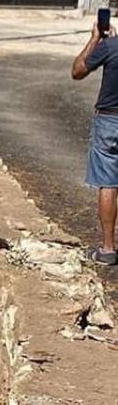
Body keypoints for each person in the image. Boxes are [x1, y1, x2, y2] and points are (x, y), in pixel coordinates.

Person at [72, 18, 118, 265]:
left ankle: (108, 249)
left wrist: (95, 39)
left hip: (110, 122)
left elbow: (77, 71)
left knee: (108, 184)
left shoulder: (110, 47)